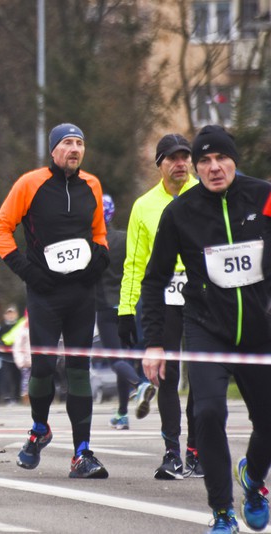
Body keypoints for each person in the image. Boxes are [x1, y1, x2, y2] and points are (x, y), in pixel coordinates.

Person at [141, 125, 271, 534]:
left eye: (221, 159)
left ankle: (252, 481)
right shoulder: (179, 212)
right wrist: (154, 343)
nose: (214, 168)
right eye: (205, 162)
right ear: (196, 168)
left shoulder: (264, 196)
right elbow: (153, 279)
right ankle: (221, 512)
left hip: (259, 328)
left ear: (235, 160)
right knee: (208, 411)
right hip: (206, 329)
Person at [0, 123, 110, 479]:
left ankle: (82, 453)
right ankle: (39, 427)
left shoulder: (93, 184)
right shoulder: (30, 183)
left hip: (80, 293)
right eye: (68, 143)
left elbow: (99, 232)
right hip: (43, 292)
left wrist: (100, 260)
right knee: (42, 368)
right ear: (54, 150)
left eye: (79, 143)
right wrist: (27, 271)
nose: (74, 149)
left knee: (78, 370)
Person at [117, 133, 202, 480]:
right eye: (173, 158)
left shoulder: (205, 193)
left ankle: (196, 450)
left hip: (200, 294)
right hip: (164, 295)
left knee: (201, 373)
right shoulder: (144, 205)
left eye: (185, 157)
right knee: (165, 373)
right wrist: (125, 308)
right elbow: (135, 263)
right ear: (160, 165)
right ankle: (172, 453)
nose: (180, 163)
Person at [95, 194, 146, 431]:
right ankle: (122, 414)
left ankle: (139, 384)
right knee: (124, 359)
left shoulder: (92, 242)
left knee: (115, 360)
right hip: (128, 306)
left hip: (105, 307)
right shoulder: (125, 238)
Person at [0, 305, 25, 404]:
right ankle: (8, 398)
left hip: (18, 357)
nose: (11, 316)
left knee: (18, 378)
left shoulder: (21, 326)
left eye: (12, 313)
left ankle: (17, 397)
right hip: (6, 358)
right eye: (9, 314)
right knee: (7, 379)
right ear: (5, 315)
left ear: (16, 314)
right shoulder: (2, 328)